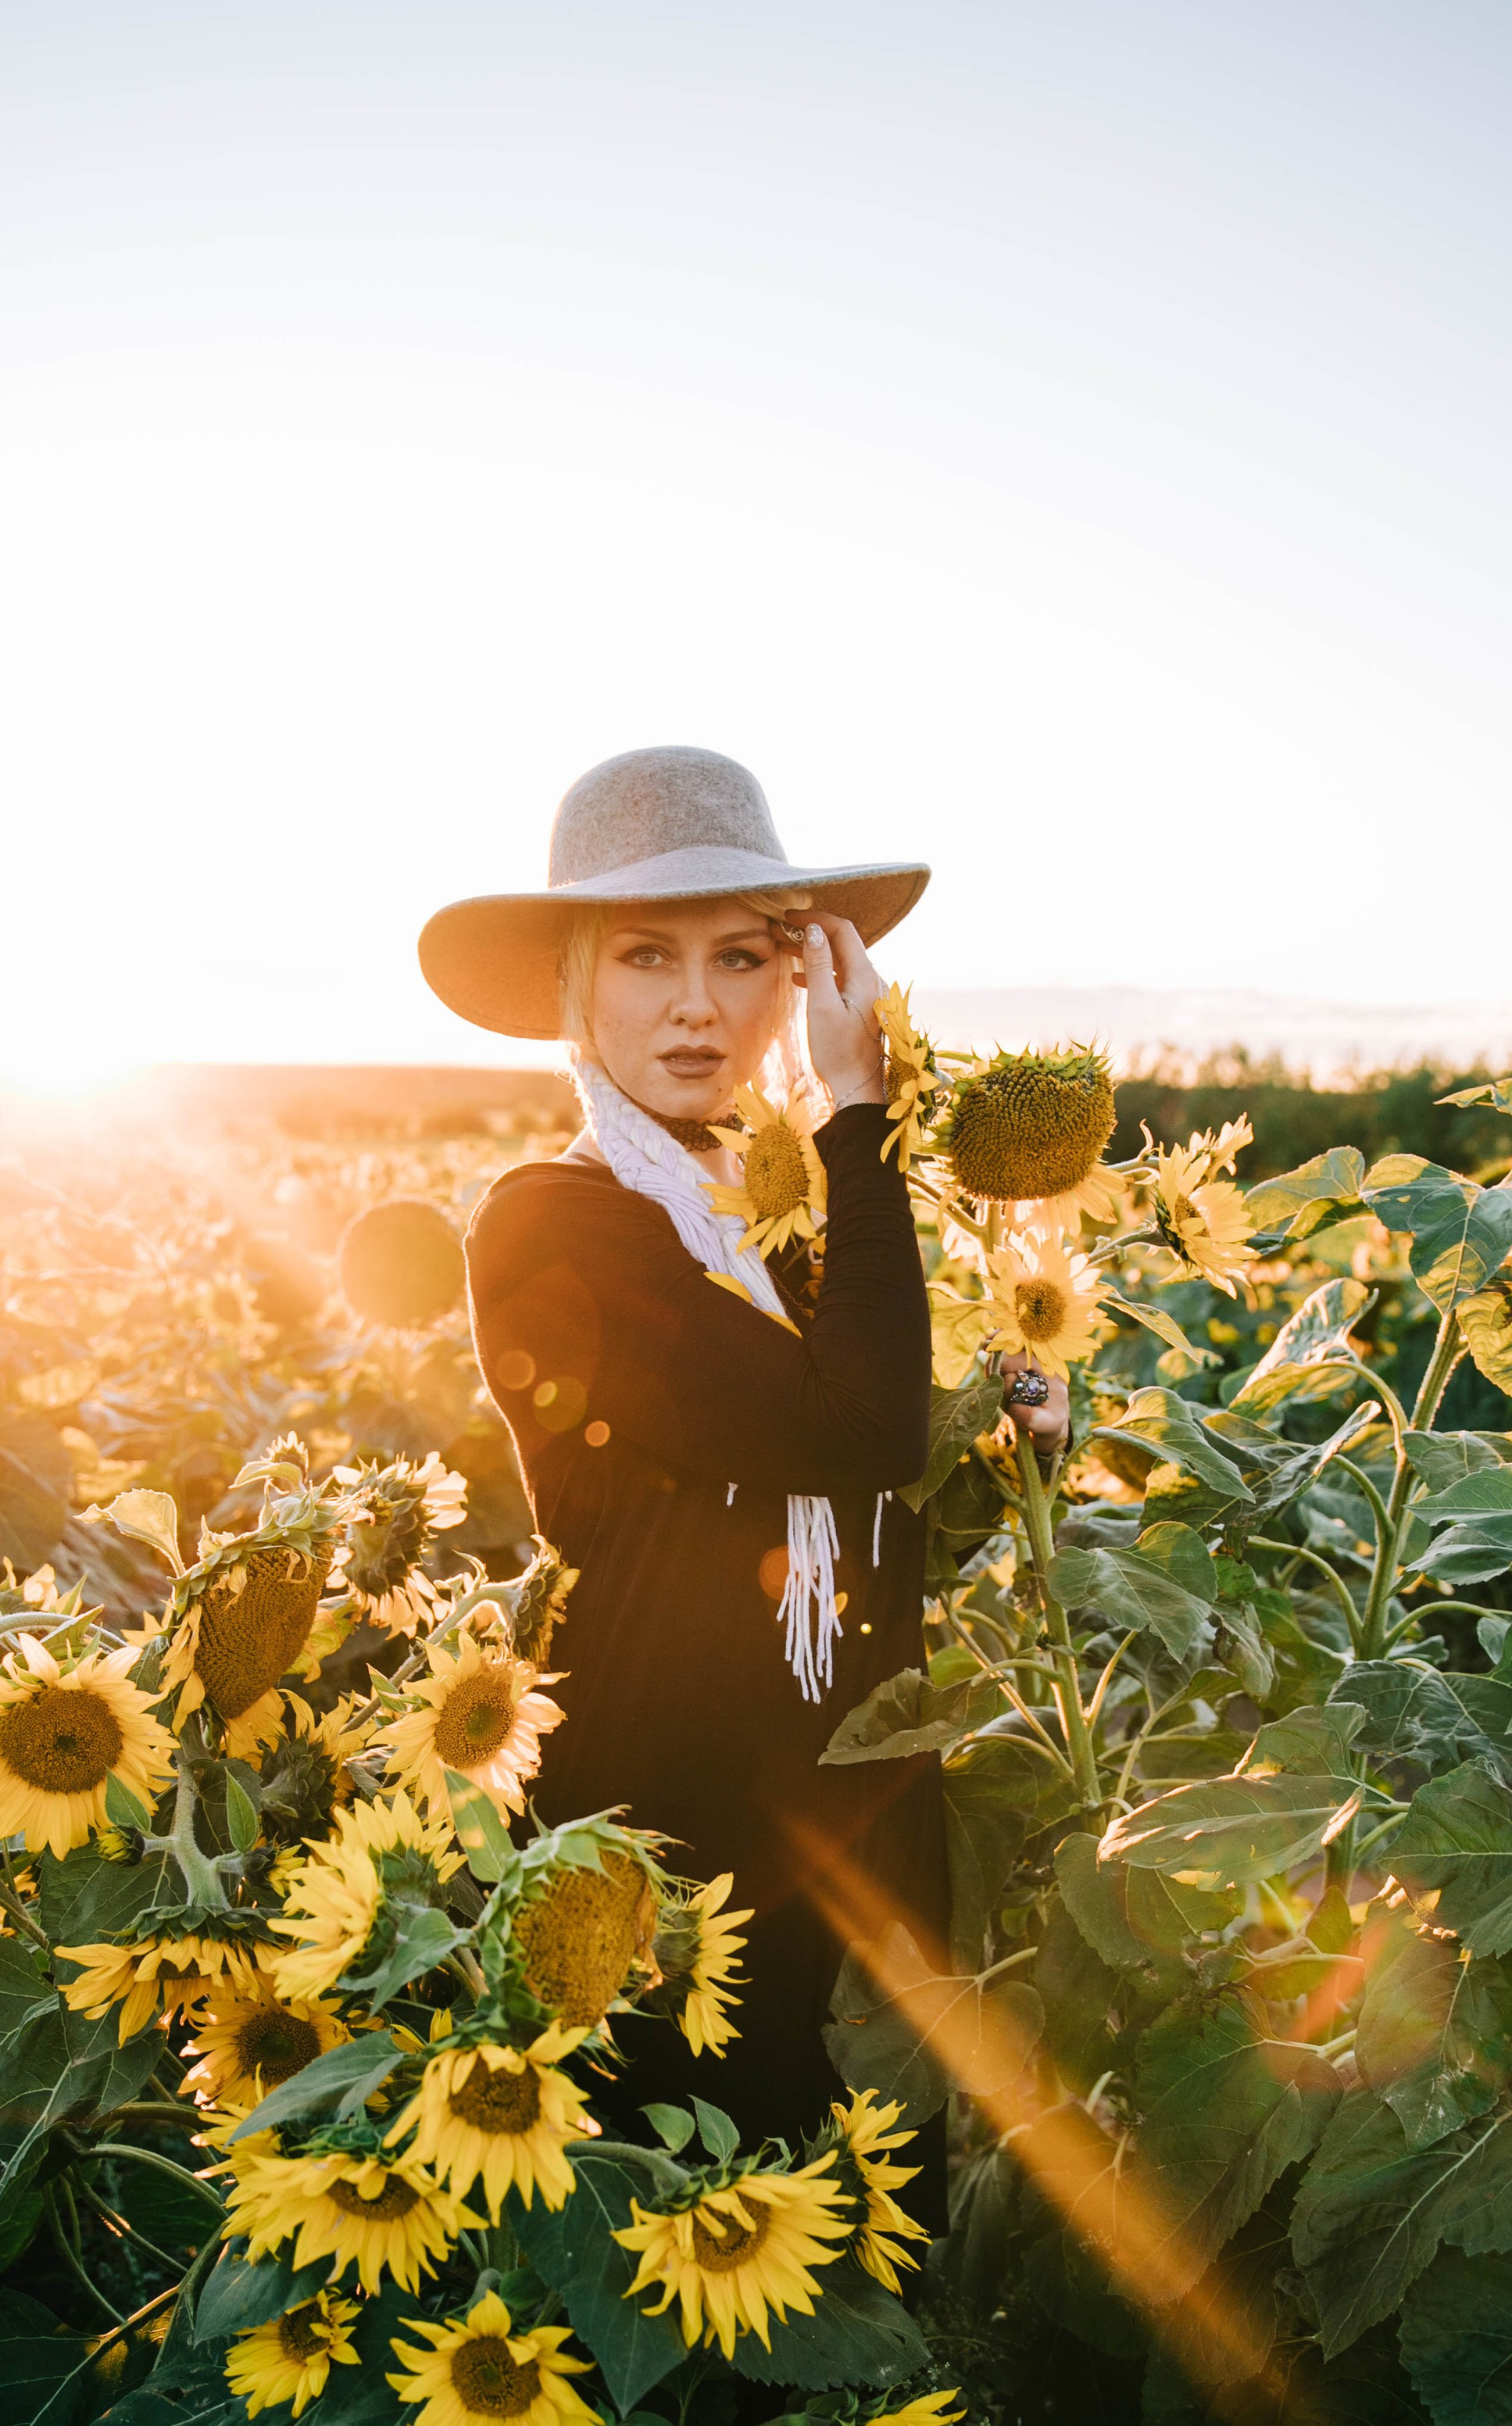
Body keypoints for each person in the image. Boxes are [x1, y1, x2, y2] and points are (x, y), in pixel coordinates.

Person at [419, 746, 1067, 2220]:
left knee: (858, 2285)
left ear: (798, 978)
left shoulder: (785, 1237)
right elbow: (849, 1434)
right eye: (647, 955)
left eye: (742, 955)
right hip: (666, 1866)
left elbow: (871, 1499)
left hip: (853, 1834)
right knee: (679, 2266)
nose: (698, 1004)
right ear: (575, 986)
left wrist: (1009, 1425)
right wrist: (857, 1113)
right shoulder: (553, 1230)